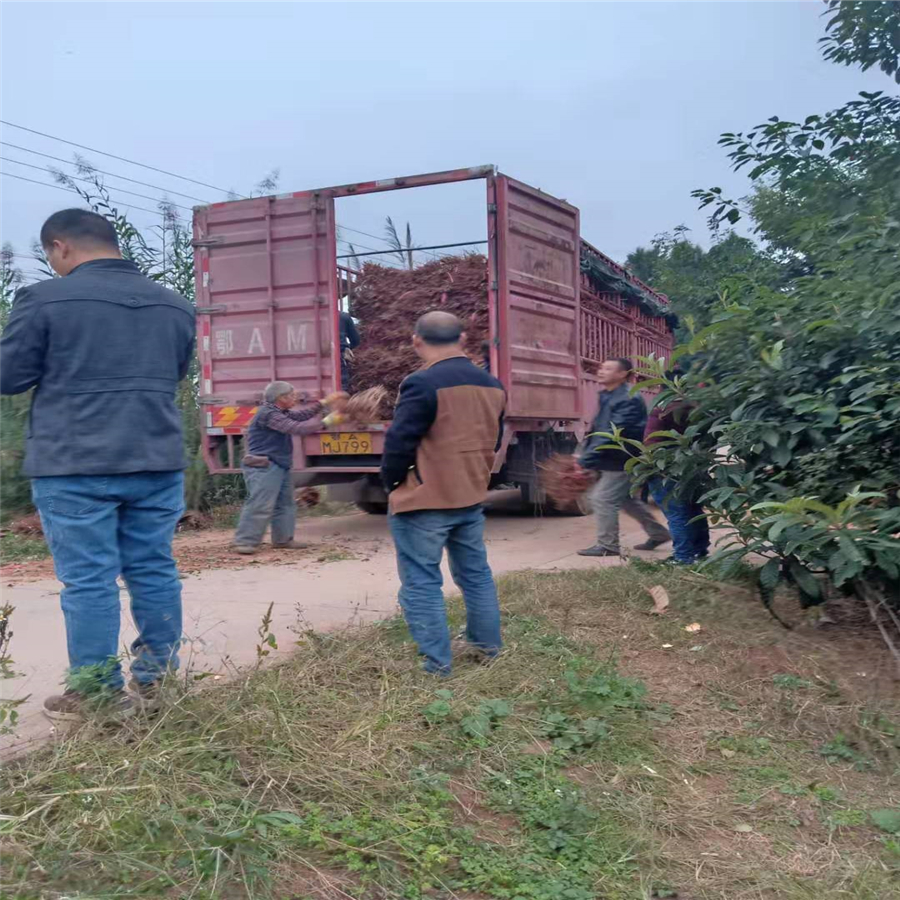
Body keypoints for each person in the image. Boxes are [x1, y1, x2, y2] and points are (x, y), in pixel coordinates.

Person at [0, 209, 195, 720]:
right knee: (154, 569)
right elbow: (175, 374)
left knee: (89, 580)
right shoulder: (175, 305)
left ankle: (95, 693)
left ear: (60, 247)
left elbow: (10, 376)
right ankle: (158, 681)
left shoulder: (43, 298)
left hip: (74, 460)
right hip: (155, 458)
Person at [382, 311, 505, 675]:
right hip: (469, 494)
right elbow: (494, 440)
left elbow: (400, 442)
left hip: (425, 500)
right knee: (476, 575)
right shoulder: (493, 385)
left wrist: (391, 484)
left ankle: (437, 665)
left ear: (416, 341)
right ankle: (488, 648)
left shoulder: (421, 383)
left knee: (422, 582)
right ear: (463, 339)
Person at [233, 381, 347, 554]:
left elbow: (301, 416)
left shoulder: (280, 412)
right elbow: (297, 428)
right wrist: (328, 421)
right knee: (260, 503)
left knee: (285, 504)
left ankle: (283, 540)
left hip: (279, 464)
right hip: (264, 465)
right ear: (281, 398)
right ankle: (245, 542)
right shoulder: (268, 414)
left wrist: (324, 403)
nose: (296, 398)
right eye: (292, 395)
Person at [578, 358, 670, 558]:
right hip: (612, 457)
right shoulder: (610, 395)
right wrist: (587, 453)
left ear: (622, 374)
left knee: (601, 499)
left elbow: (613, 432)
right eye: (602, 367)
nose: (601, 370)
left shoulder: (627, 397)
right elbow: (600, 428)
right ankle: (658, 533)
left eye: (608, 368)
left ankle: (608, 546)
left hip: (622, 458)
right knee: (625, 500)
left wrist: (587, 459)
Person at [644, 392, 710, 564]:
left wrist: (647, 468)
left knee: (676, 514)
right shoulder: (701, 411)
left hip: (664, 469)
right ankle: (699, 550)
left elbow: (651, 443)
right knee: (694, 509)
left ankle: (683, 557)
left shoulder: (661, 410)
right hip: (693, 466)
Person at [339, 308, 361, 391]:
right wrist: (347, 348)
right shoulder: (344, 317)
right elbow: (356, 340)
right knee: (341, 393)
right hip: (339, 360)